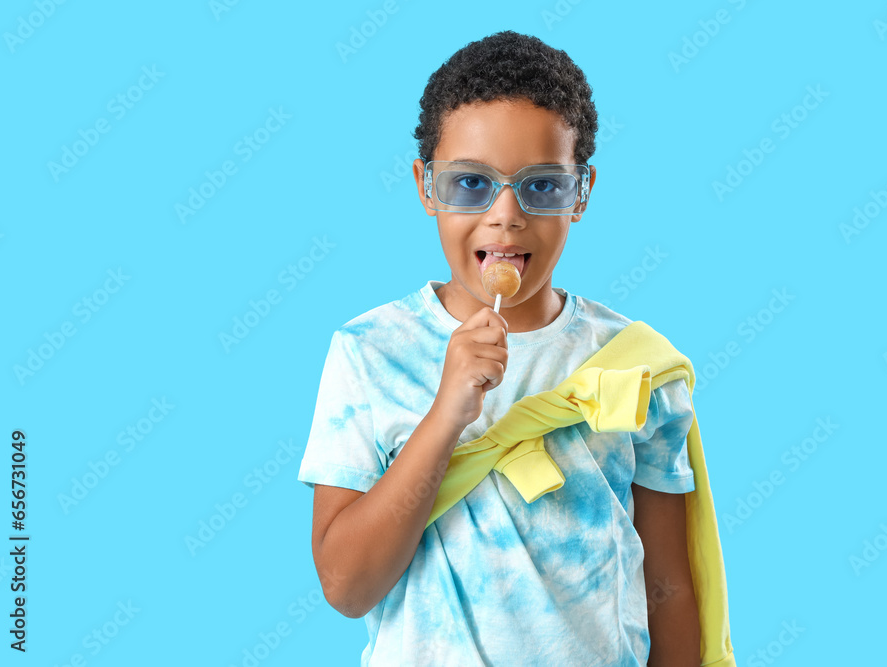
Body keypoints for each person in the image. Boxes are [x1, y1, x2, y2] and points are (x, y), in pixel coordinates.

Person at [298, 30, 731, 667]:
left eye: (542, 186)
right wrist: (448, 412)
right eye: (471, 184)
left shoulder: (635, 362)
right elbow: (347, 586)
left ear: (581, 192)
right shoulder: (369, 352)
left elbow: (668, 587)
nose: (506, 215)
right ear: (425, 186)